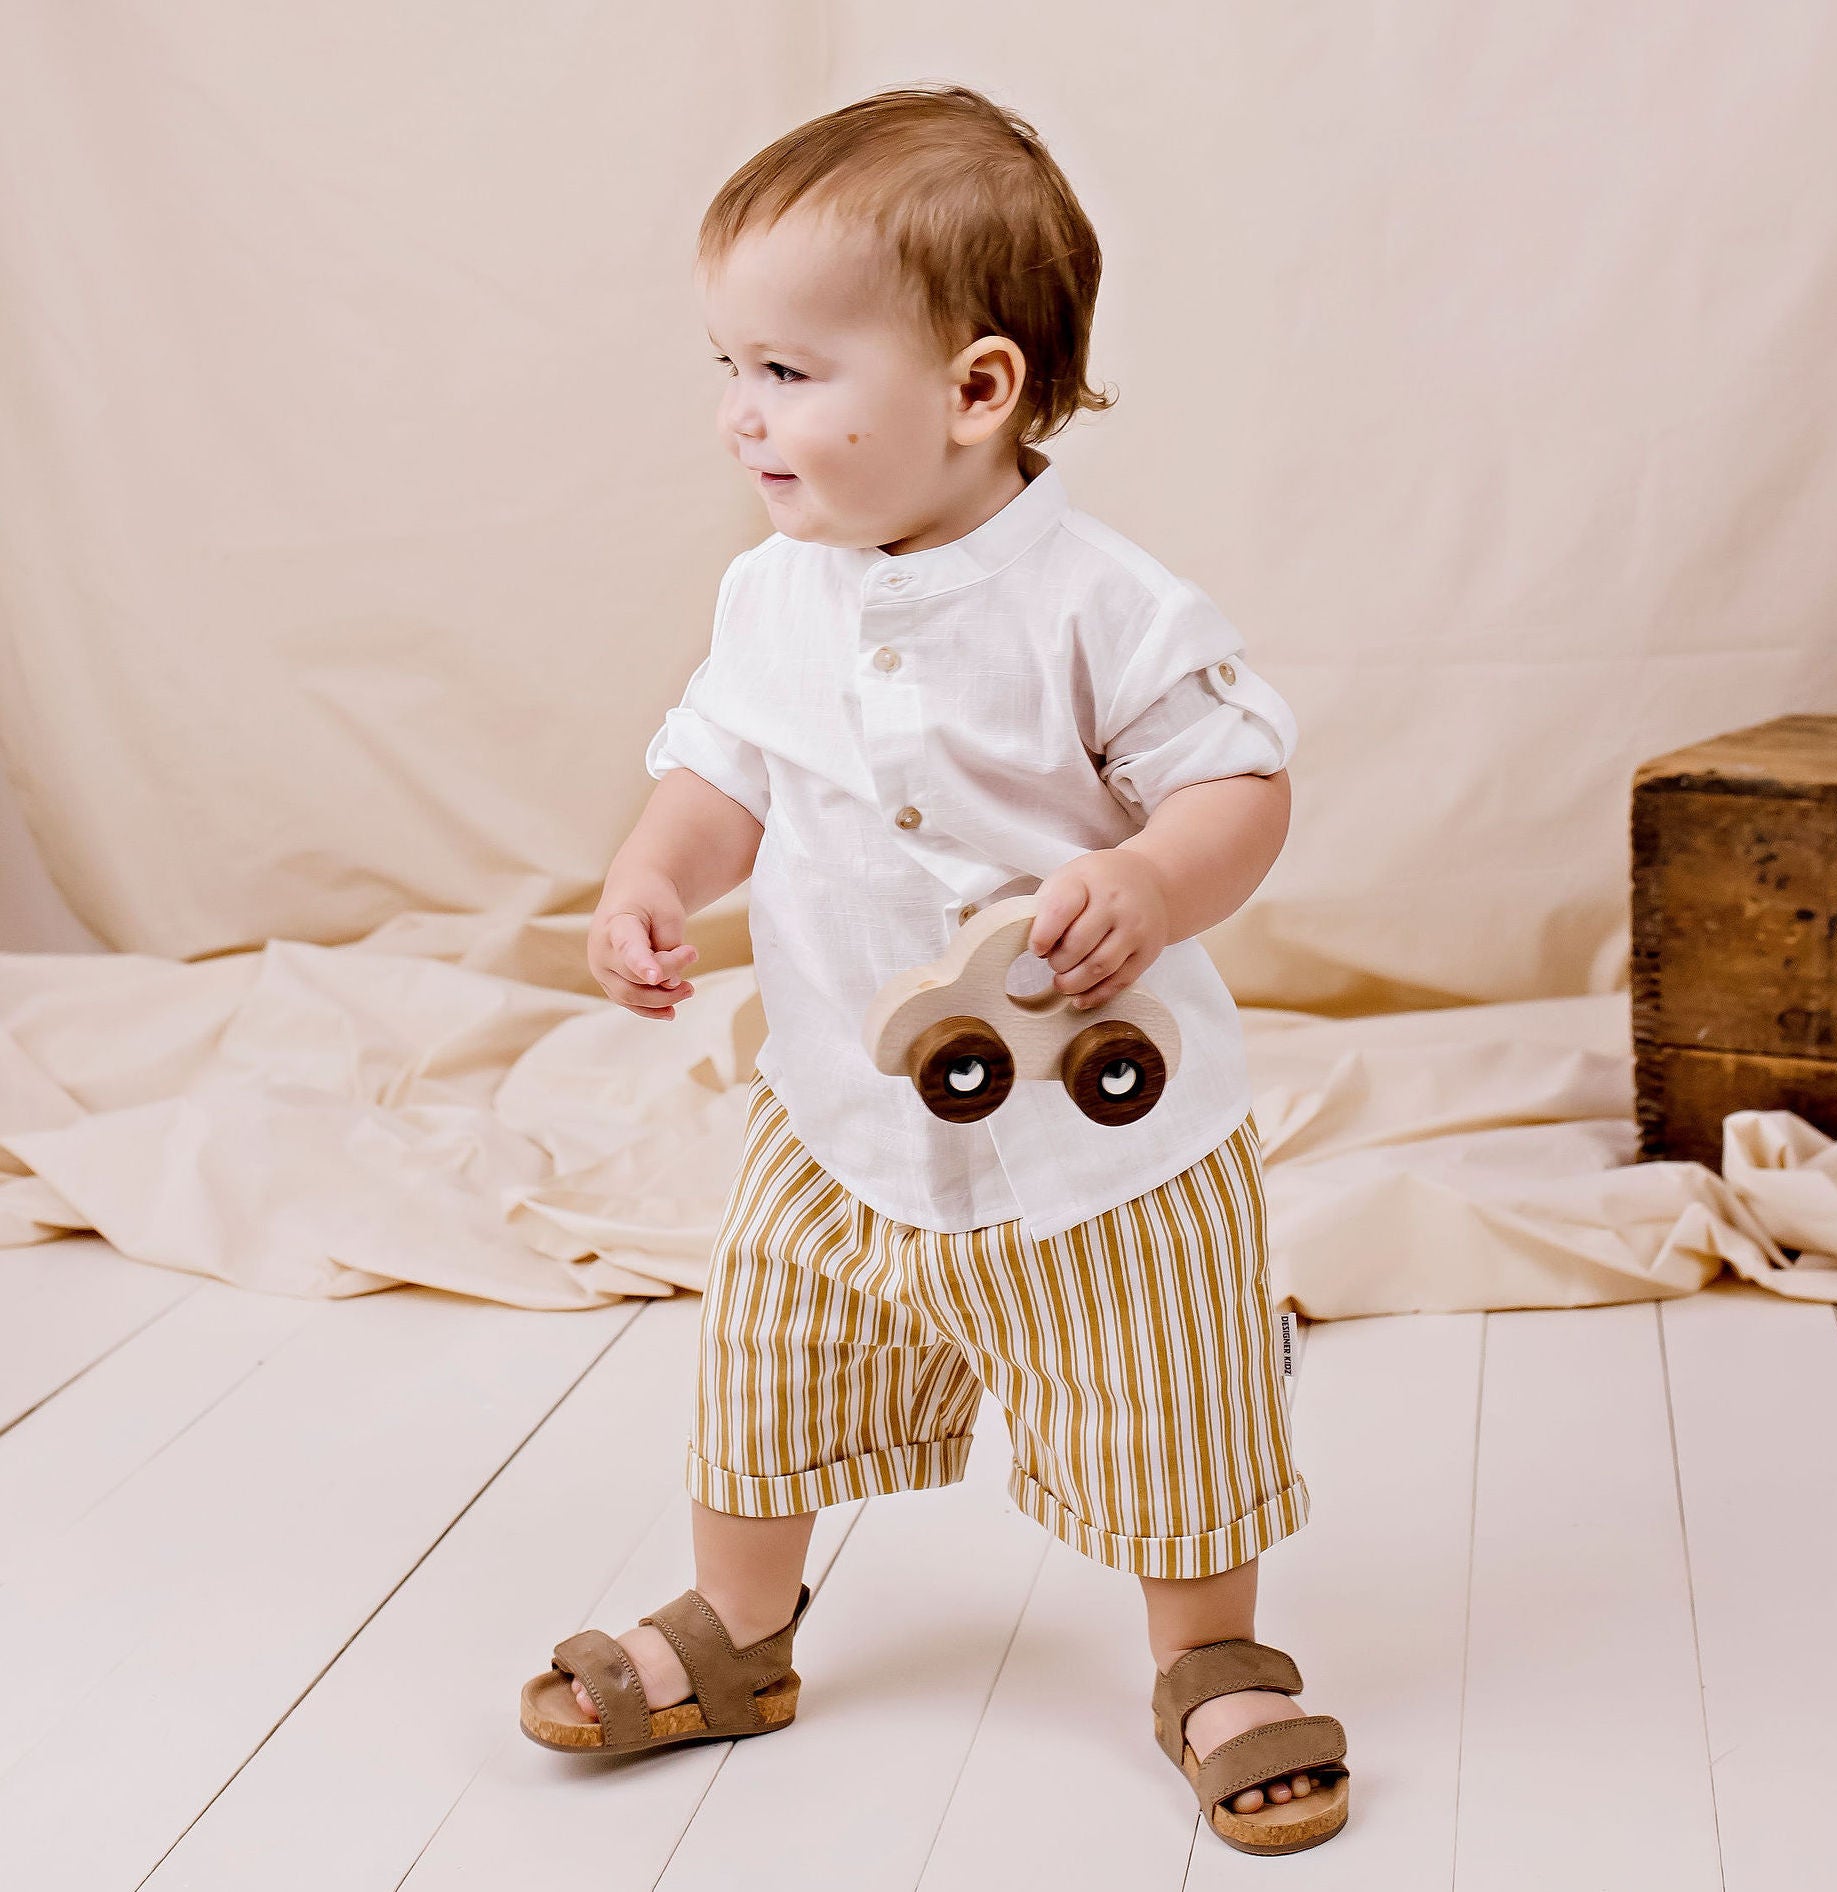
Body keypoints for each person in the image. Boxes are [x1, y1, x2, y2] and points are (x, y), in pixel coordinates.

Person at [518, 82, 1348, 1857]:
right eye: (729, 368)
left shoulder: (1098, 600)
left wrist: (1149, 874)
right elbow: (723, 775)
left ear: (977, 391)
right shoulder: (776, 592)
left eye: (791, 376)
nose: (742, 417)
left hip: (1102, 1143)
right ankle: (742, 1627)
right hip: (841, 1120)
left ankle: (1213, 1657)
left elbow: (1242, 787)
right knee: (765, 1371)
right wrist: (656, 872)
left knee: (1165, 1396)